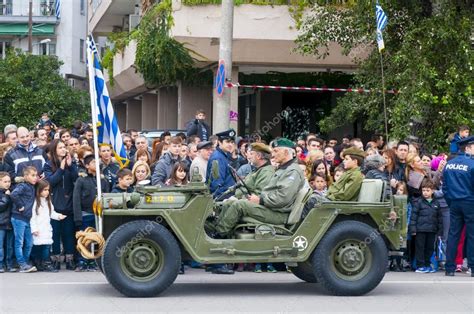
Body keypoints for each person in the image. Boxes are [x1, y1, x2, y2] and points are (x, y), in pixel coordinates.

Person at [213, 138, 305, 237]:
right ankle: (223, 233)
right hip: (271, 208)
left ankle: (218, 235)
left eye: (276, 151)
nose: (272, 155)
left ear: (286, 152)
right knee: (231, 202)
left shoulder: (292, 171)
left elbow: (282, 198)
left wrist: (261, 200)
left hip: (279, 214)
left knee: (239, 205)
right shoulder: (283, 169)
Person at [43, 139, 78, 271]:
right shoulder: (48, 165)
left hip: (68, 204)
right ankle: (55, 259)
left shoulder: (70, 163)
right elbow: (51, 181)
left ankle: (69, 259)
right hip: (55, 205)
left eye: (64, 147)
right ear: (54, 151)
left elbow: (76, 179)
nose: (64, 149)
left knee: (68, 233)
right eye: (60, 148)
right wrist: (62, 168)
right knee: (55, 234)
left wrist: (70, 166)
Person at [442, 136, 474, 277]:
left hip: (454, 202)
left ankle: (450, 268)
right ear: (467, 148)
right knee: (472, 235)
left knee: (453, 234)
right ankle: (473, 267)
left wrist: (451, 202)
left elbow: (445, 187)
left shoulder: (449, 164)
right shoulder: (472, 164)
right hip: (469, 202)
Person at [73, 155, 109, 271]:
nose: (96, 164)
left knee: (96, 239)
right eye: (93, 162)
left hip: (99, 215)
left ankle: (94, 261)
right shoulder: (81, 180)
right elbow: (76, 199)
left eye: (97, 162)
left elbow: (107, 196)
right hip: (86, 214)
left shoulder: (102, 180)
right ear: (87, 165)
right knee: (85, 239)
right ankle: (82, 261)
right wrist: (78, 217)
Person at [30, 180, 66, 272]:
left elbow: (51, 213)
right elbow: (32, 217)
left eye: (48, 190)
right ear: (39, 190)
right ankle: (39, 263)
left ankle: (46, 263)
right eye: (44, 190)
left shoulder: (48, 201)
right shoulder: (35, 202)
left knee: (46, 246)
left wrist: (58, 216)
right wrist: (34, 229)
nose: (47, 192)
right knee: (38, 247)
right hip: (38, 228)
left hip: (46, 228)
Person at [409, 180, 443, 273]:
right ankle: (420, 266)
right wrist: (413, 229)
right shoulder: (418, 202)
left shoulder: (436, 203)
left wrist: (440, 231)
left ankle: (427, 265)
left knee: (430, 248)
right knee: (420, 247)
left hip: (432, 230)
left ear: (432, 191)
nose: (425, 193)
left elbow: (440, 219)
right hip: (420, 230)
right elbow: (413, 216)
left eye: (427, 190)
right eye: (423, 190)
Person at [10, 166, 38, 273]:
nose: (35, 178)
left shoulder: (32, 186)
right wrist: (20, 205)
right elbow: (14, 194)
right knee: (19, 242)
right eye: (32, 175)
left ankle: (25, 263)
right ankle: (22, 264)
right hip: (18, 218)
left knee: (29, 243)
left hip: (27, 219)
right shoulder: (23, 186)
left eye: (36, 175)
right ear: (25, 176)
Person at [206, 129, 237, 199]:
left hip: (227, 195)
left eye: (232, 142)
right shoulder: (218, 158)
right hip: (222, 198)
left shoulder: (223, 155)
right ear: (219, 142)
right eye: (227, 142)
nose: (230, 145)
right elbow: (217, 185)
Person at [0, 172, 14, 272]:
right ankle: (0, 265)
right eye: (5, 181)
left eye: (9, 181)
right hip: (1, 223)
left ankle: (9, 264)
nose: (8, 183)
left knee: (9, 246)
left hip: (10, 222)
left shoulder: (11, 191)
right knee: (0, 246)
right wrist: (6, 197)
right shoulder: (6, 194)